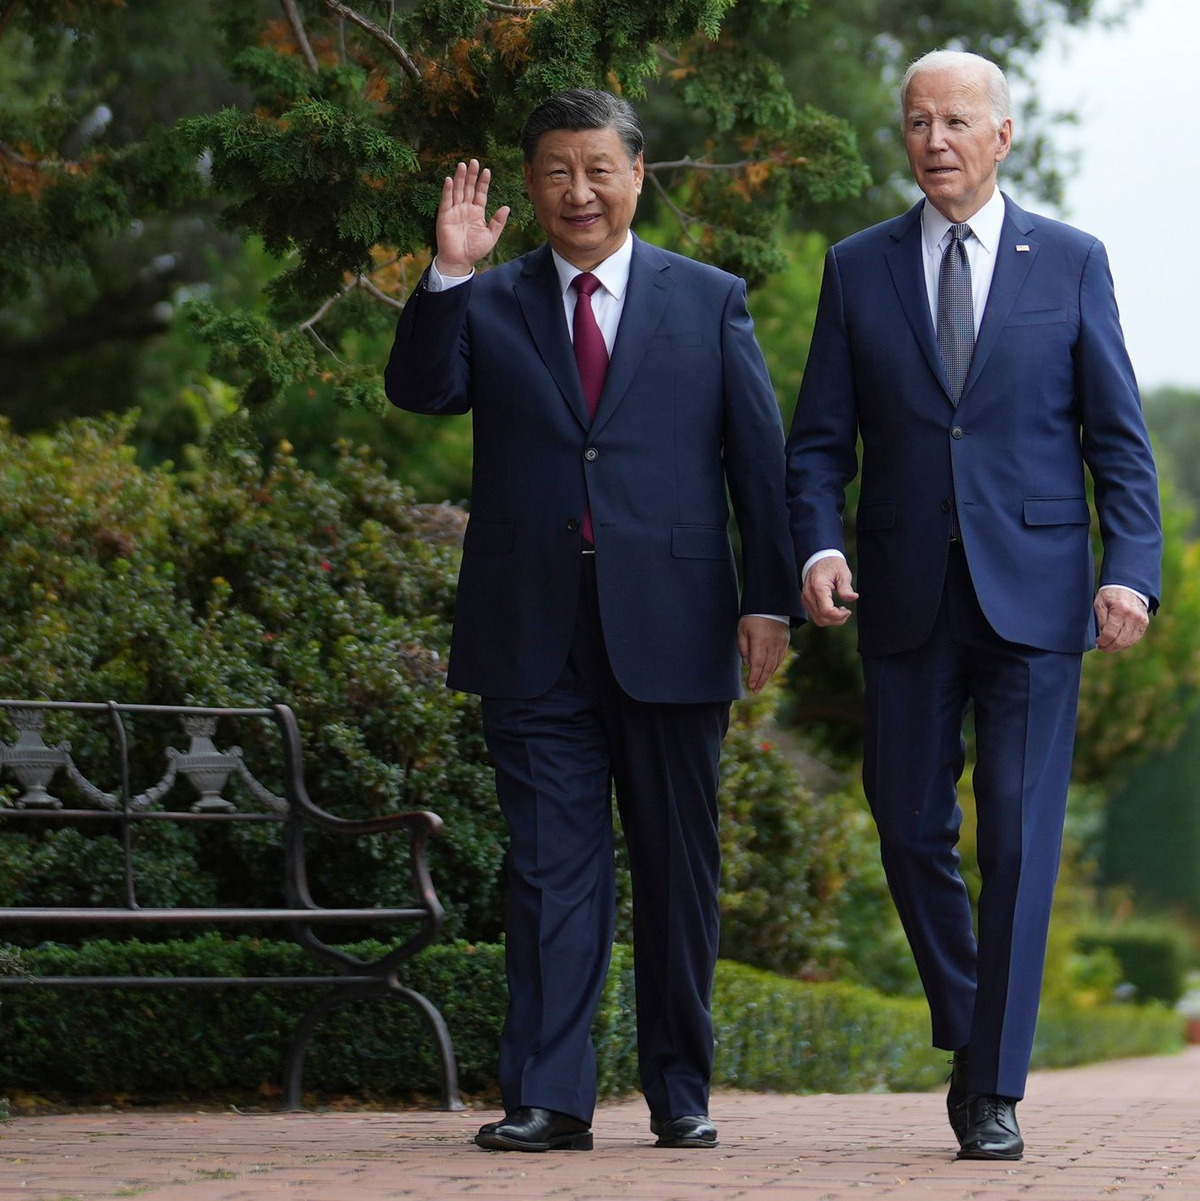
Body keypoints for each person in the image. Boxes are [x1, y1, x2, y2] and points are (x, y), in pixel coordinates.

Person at [385, 88, 798, 1153]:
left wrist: (768, 600)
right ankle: (551, 1098)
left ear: (636, 176)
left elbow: (759, 467)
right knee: (550, 869)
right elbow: (422, 390)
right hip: (532, 629)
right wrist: (448, 274)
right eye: (558, 171)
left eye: (598, 168)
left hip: (677, 623)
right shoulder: (488, 299)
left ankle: (679, 1090)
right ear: (530, 186)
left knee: (675, 868)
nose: (580, 190)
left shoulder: (709, 299)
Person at [785, 49, 1161, 1161]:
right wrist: (814, 543)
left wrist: (1128, 568)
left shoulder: (1074, 262)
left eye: (956, 121)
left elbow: (1119, 444)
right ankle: (969, 1015)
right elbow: (817, 443)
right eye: (916, 122)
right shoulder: (858, 268)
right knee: (907, 822)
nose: (934, 140)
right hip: (902, 592)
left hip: (1040, 595)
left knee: (1022, 831)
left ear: (1002, 138)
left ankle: (993, 1083)